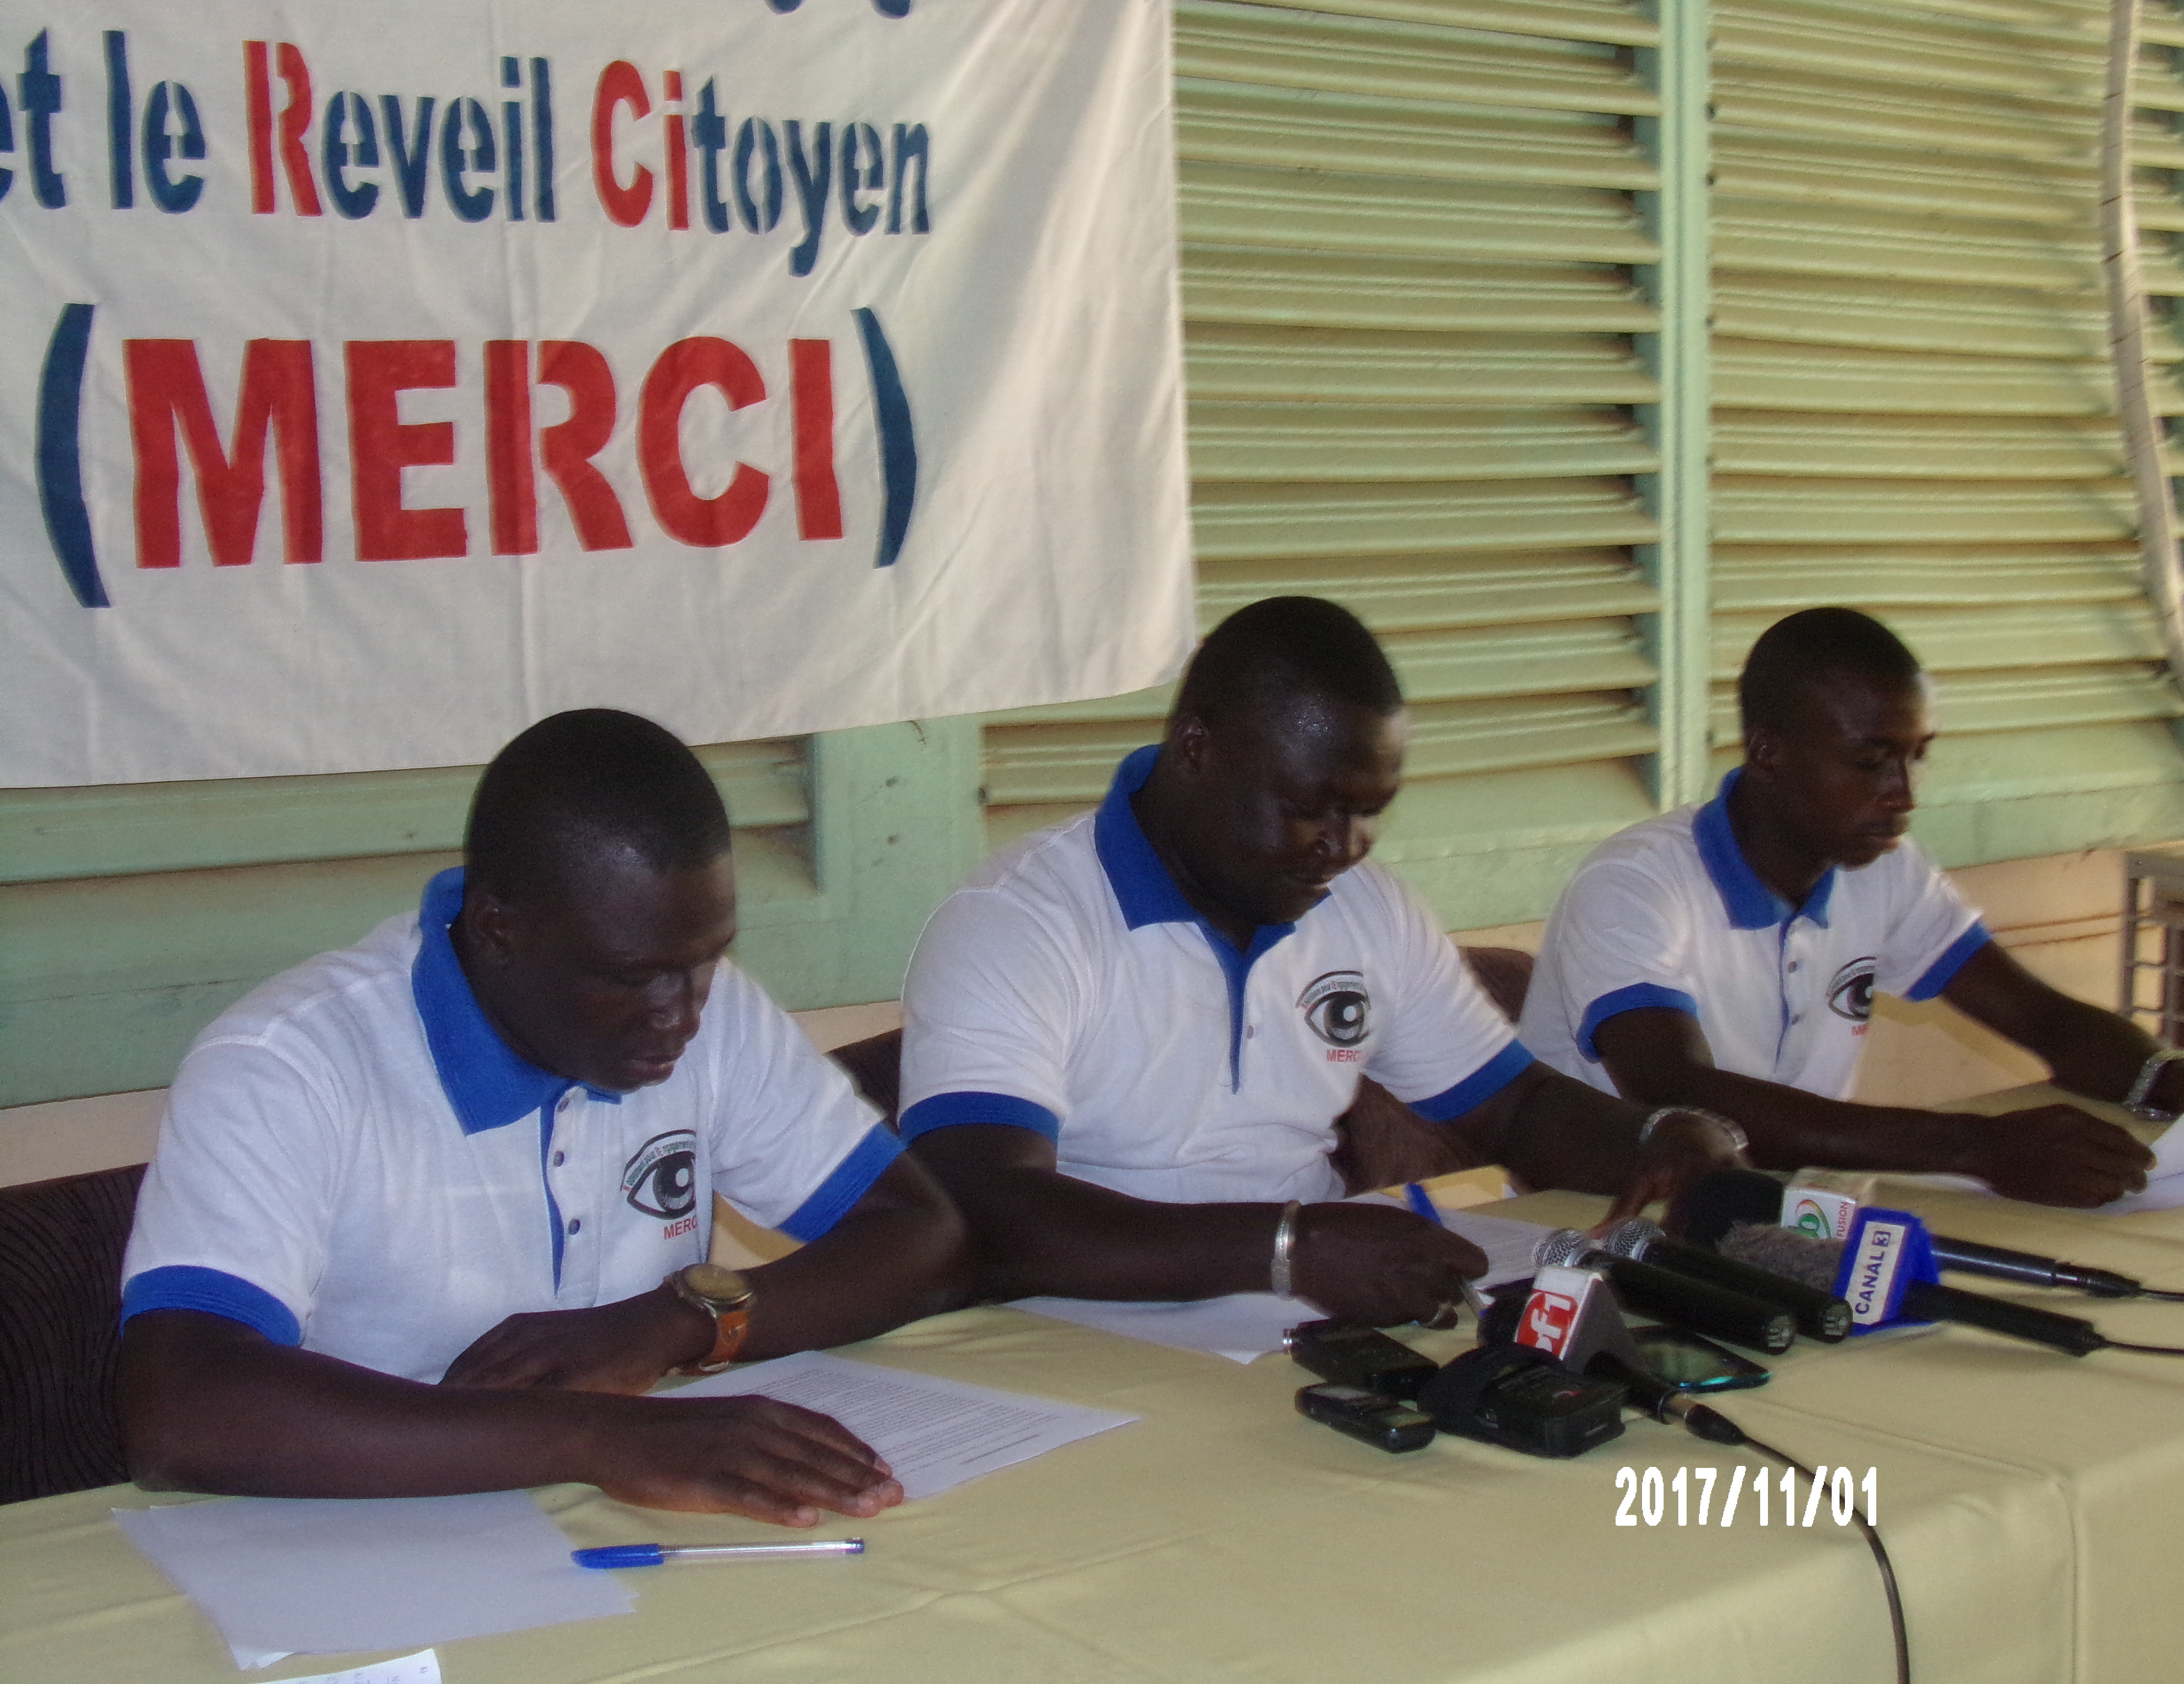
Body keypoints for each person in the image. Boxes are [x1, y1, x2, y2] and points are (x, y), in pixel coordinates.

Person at [118, 710, 967, 1525]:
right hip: (361, 1540)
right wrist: (596, 1436)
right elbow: (180, 1411)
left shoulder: (716, 1018)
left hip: (619, 1528)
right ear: (498, 929)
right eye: (632, 978)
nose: (682, 1015)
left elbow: (922, 1234)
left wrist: (674, 1324)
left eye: (706, 963)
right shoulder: (288, 1065)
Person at [895, 597, 1747, 1325]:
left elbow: (1514, 1108)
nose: (1344, 847)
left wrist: (1656, 1140)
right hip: (1077, 1331)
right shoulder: (1021, 921)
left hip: (1296, 1323)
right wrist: (1286, 1249)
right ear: (1196, 749)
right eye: (1312, 808)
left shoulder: (1366, 909)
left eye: (1370, 812)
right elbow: (984, 1203)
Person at [1519, 606, 2184, 1208]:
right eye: (1871, 762)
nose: (1903, 794)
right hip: (1606, 1216)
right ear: (1769, 752)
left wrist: (2182, 1085)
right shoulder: (1636, 885)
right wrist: (1976, 1146)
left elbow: (2037, 1016)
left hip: (1793, 1207)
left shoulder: (1883, 870)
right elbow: (1677, 1091)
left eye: (1916, 756)